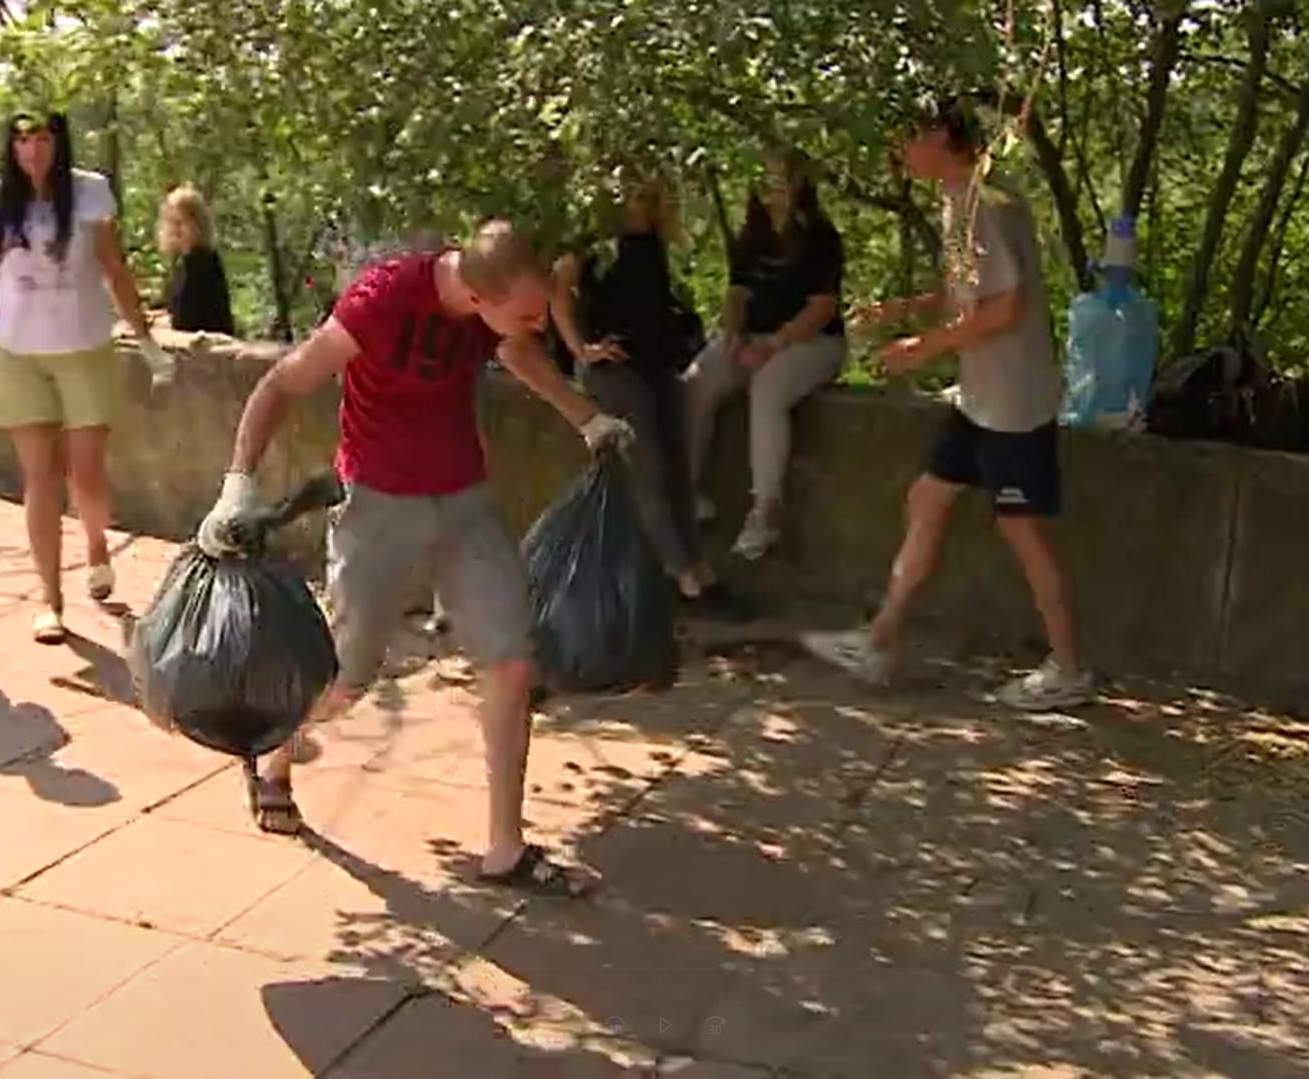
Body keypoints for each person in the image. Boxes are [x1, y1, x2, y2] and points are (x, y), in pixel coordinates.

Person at [194, 220, 632, 894]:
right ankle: (273, 751)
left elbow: (518, 352)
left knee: (511, 662)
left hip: (464, 499)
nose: (538, 322)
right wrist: (237, 486)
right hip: (377, 504)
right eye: (525, 312)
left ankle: (505, 850)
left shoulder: (495, 313)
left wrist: (586, 418)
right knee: (343, 681)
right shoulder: (383, 300)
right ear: (478, 297)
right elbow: (282, 382)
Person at [801, 95, 1093, 711]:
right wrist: (905, 311)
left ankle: (1068, 667)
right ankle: (879, 642)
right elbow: (967, 293)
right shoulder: (959, 200)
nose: (899, 153)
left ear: (940, 137)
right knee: (926, 498)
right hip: (979, 398)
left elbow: (1005, 307)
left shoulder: (987, 204)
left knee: (1021, 529)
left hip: (1013, 401)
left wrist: (922, 346)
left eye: (908, 138)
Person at [0, 111, 173, 644]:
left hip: (84, 344)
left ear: (58, 142)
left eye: (42, 138)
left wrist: (144, 340)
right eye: (22, 139)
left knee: (86, 473)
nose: (32, 149)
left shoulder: (89, 193)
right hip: (15, 349)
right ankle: (50, 599)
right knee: (39, 475)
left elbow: (114, 270)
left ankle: (96, 543)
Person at [551, 170, 748, 617]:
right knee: (649, 470)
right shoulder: (594, 240)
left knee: (679, 469)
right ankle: (685, 579)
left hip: (659, 365)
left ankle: (698, 572)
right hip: (616, 370)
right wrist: (582, 349)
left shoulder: (654, 238)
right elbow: (558, 295)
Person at [683, 148, 848, 561]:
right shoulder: (750, 237)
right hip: (754, 337)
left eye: (781, 180)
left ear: (798, 186)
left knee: (769, 387)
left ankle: (765, 510)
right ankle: (686, 492)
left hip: (812, 343)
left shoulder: (820, 237)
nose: (772, 189)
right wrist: (735, 335)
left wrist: (774, 345)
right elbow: (738, 294)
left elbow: (822, 306)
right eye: (766, 180)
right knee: (700, 377)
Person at [156, 184, 235, 335]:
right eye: (172, 222)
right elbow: (175, 309)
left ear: (198, 224)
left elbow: (187, 319)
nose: (175, 229)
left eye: (181, 222)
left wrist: (160, 322)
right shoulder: (182, 262)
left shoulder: (202, 262)